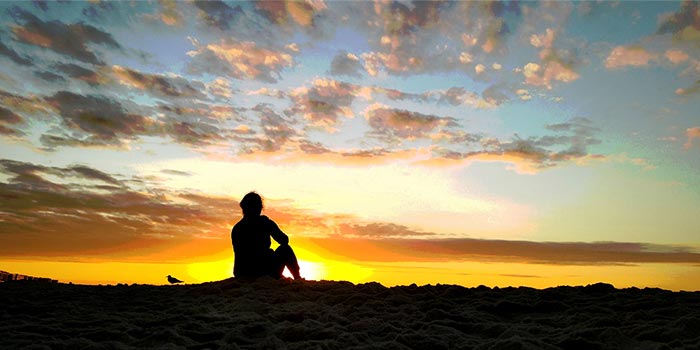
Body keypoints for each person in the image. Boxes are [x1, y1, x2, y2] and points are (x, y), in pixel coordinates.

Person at [231, 192, 302, 280]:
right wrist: (269, 225)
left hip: (242, 272)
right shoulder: (262, 223)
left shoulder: (237, 227)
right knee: (285, 249)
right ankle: (297, 278)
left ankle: (295, 277)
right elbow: (284, 241)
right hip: (258, 270)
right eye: (256, 207)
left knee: (283, 250)